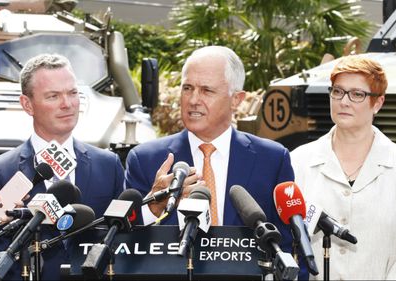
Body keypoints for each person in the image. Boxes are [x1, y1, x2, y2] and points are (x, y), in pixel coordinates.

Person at [124, 45, 308, 279]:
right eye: (187, 88)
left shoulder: (272, 159)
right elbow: (124, 244)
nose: (193, 100)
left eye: (207, 90)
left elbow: (291, 247)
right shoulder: (146, 159)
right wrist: (154, 206)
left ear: (236, 100)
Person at [290, 56, 396, 279]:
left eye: (357, 94)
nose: (344, 101)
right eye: (338, 91)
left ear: (377, 103)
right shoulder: (298, 161)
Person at [0, 54, 125, 280]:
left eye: (73, 93)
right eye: (53, 96)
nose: (67, 104)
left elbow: (123, 242)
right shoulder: (0, 172)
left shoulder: (108, 164)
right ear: (27, 104)